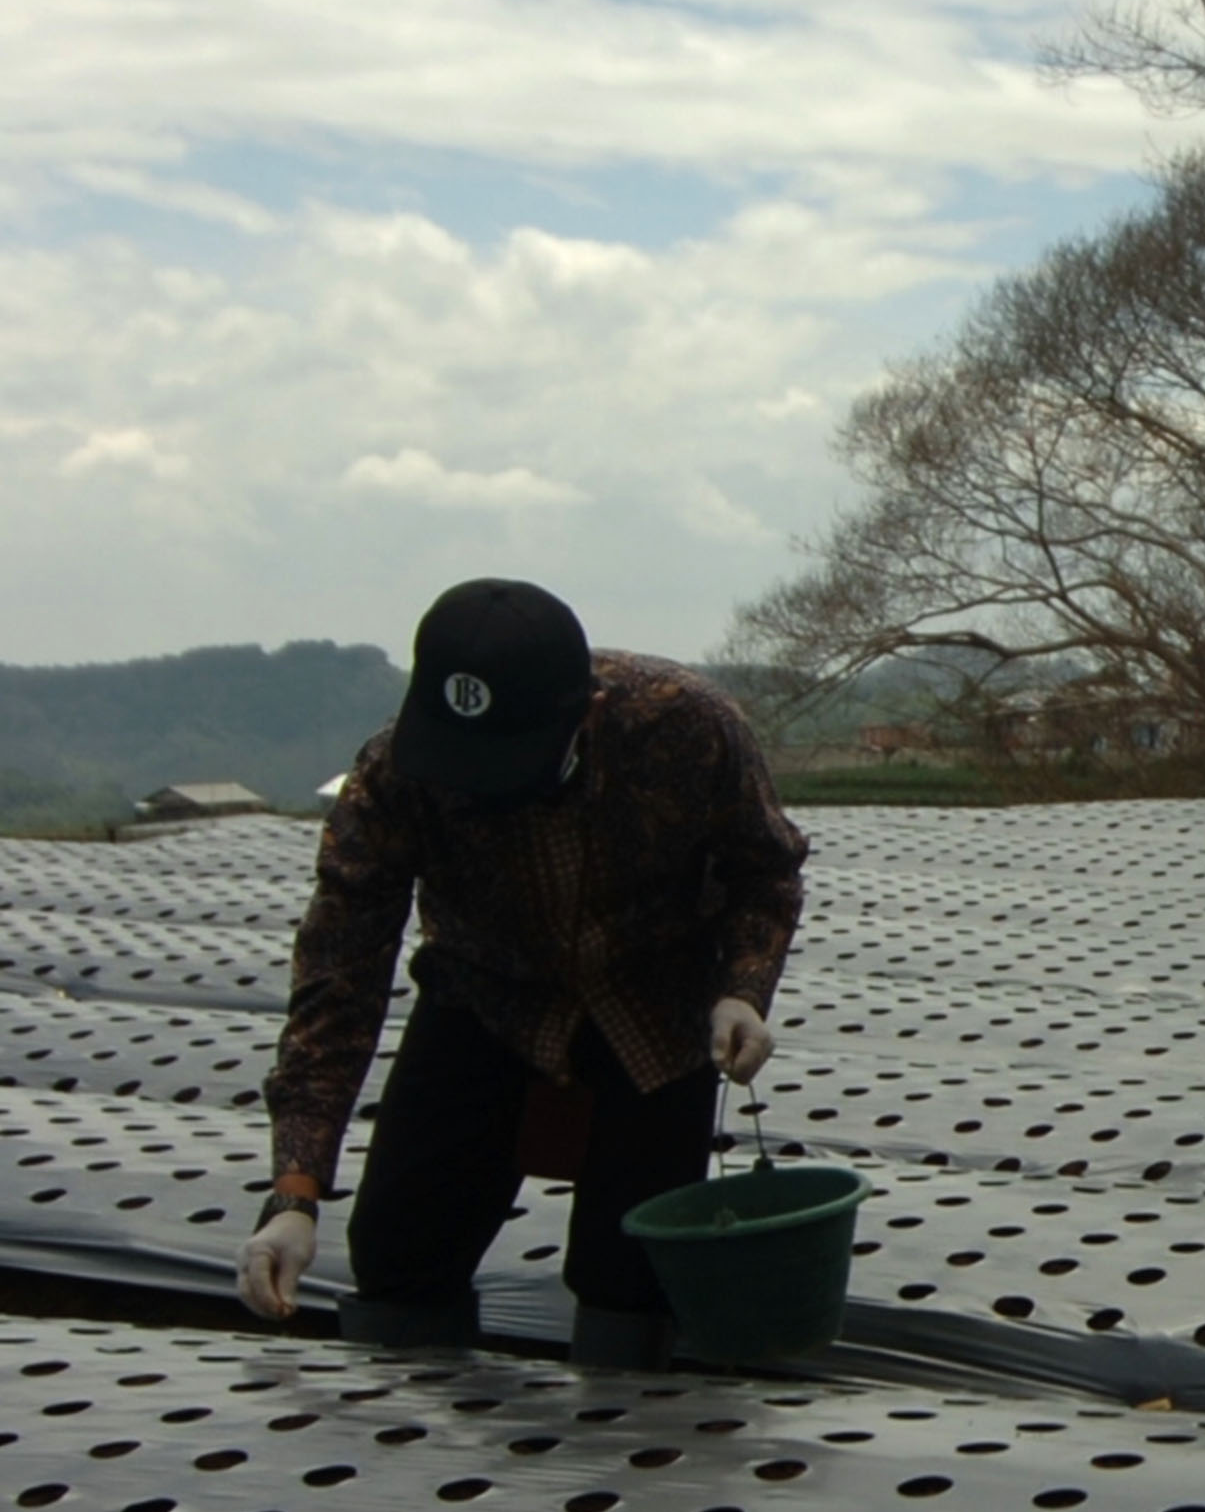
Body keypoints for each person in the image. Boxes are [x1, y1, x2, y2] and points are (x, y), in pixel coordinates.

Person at [236, 579, 809, 1362]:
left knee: (633, 1271)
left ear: (588, 714)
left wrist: (742, 990)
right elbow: (339, 976)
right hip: (487, 997)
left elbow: (765, 871)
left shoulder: (687, 726)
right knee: (399, 1251)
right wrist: (293, 1195)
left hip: (654, 1005)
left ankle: (628, 1453)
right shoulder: (393, 778)